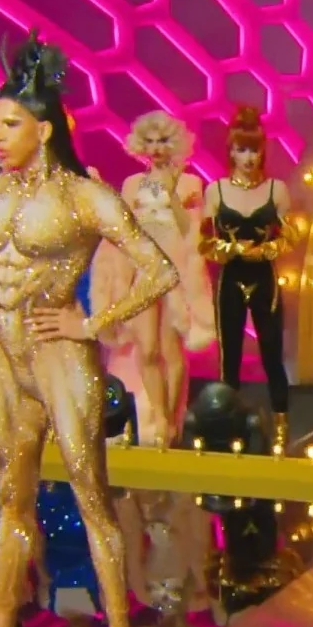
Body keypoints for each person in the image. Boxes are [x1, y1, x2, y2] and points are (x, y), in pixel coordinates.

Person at [0, 37, 177, 627]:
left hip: (61, 358)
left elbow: (159, 269)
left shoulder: (85, 196)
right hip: (10, 360)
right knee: (12, 493)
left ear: (44, 129)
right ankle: (2, 625)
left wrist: (90, 323)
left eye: (9, 124)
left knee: (90, 495)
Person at [92, 111, 216, 447]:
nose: (157, 148)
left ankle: (171, 424)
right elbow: (124, 230)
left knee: (170, 352)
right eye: (150, 141)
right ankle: (160, 415)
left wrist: (173, 194)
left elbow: (192, 232)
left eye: (162, 141)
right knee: (146, 349)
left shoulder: (190, 183)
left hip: (174, 277)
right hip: (143, 274)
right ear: (140, 145)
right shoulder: (133, 184)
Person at [201, 104, 292, 440]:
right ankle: (228, 423)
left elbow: (291, 236)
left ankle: (281, 423)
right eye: (242, 150)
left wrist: (264, 250)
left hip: (265, 279)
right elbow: (204, 242)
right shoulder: (216, 191)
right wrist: (233, 250)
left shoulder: (277, 190)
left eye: (254, 150)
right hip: (230, 278)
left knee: (272, 353)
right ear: (231, 151)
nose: (249, 158)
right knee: (230, 356)